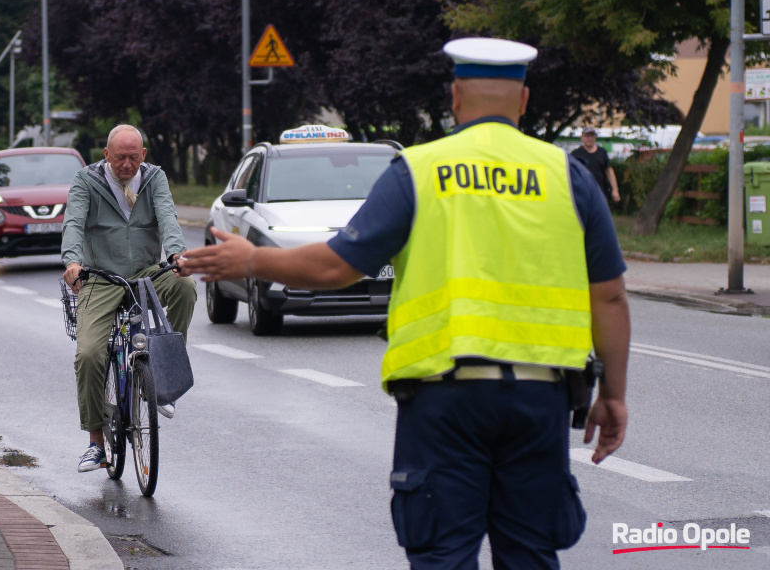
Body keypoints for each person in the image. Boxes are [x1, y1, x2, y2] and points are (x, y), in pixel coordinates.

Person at [180, 38, 630, 569]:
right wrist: (614, 395)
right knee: (531, 555)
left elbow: (336, 265)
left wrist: (253, 261)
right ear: (525, 101)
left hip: (445, 403)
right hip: (541, 401)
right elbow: (610, 295)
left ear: (455, 96)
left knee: (442, 555)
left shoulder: (419, 170)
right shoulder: (567, 175)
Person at [62, 124, 197, 473]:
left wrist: (178, 256)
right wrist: (72, 261)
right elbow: (74, 222)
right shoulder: (86, 181)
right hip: (101, 278)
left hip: (147, 272)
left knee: (186, 287)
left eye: (133, 158)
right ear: (106, 155)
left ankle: (163, 380)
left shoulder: (154, 179)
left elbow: (168, 217)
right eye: (119, 157)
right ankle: (95, 442)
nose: (126, 164)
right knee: (90, 353)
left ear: (143, 156)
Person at [571, 126, 620, 204]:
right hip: (582, 192)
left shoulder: (602, 152)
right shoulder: (576, 154)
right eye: (587, 136)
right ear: (582, 137)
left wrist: (615, 190)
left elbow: (609, 172)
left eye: (592, 136)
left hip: (601, 192)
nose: (590, 138)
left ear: (595, 137)